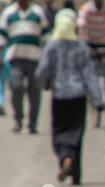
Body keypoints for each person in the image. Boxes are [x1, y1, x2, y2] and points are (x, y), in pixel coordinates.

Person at [36, 9, 100, 183]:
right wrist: (97, 99)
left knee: (60, 131)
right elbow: (89, 74)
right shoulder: (80, 46)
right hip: (78, 96)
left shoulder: (52, 45)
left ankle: (65, 158)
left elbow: (42, 71)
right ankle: (75, 172)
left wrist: (45, 84)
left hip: (60, 96)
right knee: (76, 133)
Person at [1, 0, 49, 133]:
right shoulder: (9, 13)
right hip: (15, 57)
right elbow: (2, 36)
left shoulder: (38, 12)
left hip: (35, 57)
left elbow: (45, 35)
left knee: (34, 91)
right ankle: (18, 119)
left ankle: (33, 123)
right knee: (16, 86)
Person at [74, 0, 105, 124]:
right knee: (89, 75)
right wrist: (84, 44)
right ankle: (93, 103)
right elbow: (81, 26)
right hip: (91, 44)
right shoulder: (86, 9)